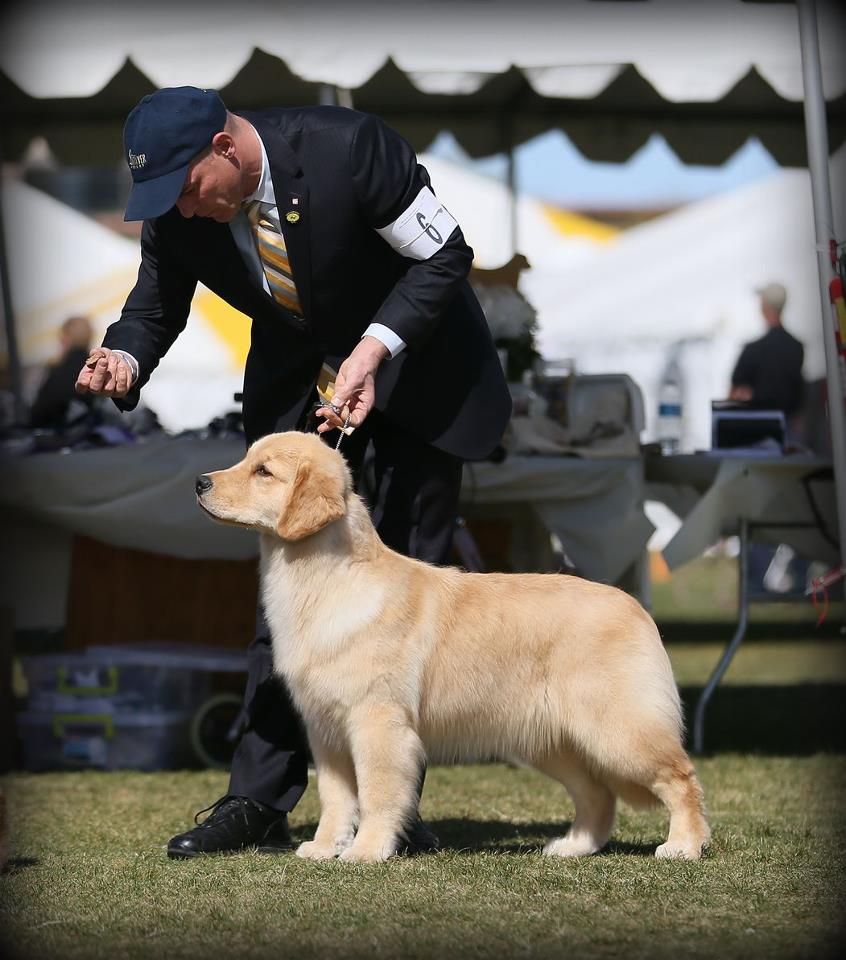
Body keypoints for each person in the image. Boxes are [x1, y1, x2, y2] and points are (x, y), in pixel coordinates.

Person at [75, 87, 512, 858]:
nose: (178, 210)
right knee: (287, 605)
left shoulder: (352, 149)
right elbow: (154, 305)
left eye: (186, 190)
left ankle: (392, 812)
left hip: (420, 378)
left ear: (224, 149)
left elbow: (443, 254)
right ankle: (259, 800)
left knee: (411, 602)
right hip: (296, 399)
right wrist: (124, 355)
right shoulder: (181, 208)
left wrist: (374, 350)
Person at [730, 281, 804, 424]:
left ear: (764, 308)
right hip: (788, 428)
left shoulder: (752, 350)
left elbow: (734, 394)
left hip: (756, 430)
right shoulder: (796, 348)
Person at [30, 315, 95, 429]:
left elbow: (38, 413)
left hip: (58, 437)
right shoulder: (98, 367)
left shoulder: (57, 371)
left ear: (66, 338)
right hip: (92, 435)